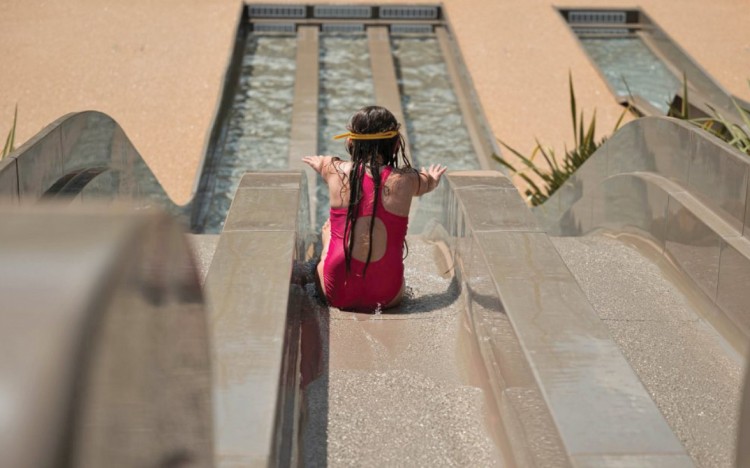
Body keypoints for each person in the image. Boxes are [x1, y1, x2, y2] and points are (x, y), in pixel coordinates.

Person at [302, 106, 447, 312]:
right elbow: (427, 184)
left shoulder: (333, 170)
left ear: (350, 142)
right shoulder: (407, 180)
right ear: (396, 145)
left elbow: (324, 162)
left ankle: (327, 244)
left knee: (329, 238)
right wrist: (432, 178)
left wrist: (319, 163)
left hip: (335, 292)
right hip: (387, 294)